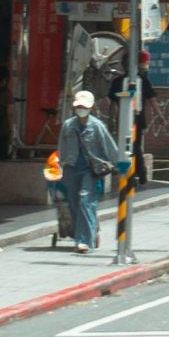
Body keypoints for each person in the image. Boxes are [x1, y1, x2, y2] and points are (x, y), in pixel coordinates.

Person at [54, 89, 121, 255]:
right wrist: (61, 164)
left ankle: (84, 241)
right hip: (71, 168)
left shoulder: (97, 126)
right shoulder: (68, 125)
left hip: (90, 170)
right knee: (74, 204)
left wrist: (119, 165)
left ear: (90, 107)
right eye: (79, 106)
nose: (81, 109)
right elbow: (61, 146)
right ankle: (83, 235)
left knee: (86, 200)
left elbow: (109, 147)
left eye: (84, 106)